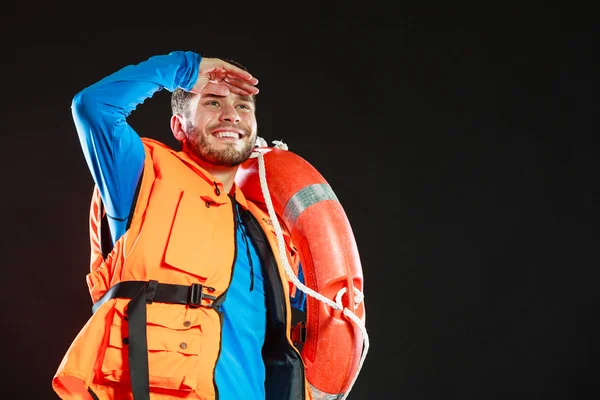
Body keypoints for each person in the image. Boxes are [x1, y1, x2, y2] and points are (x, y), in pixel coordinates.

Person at [52, 51, 317, 400]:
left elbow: (318, 302)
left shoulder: (266, 229)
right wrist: (185, 69)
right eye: (212, 102)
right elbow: (93, 106)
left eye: (243, 106)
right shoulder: (141, 175)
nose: (230, 115)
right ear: (179, 125)